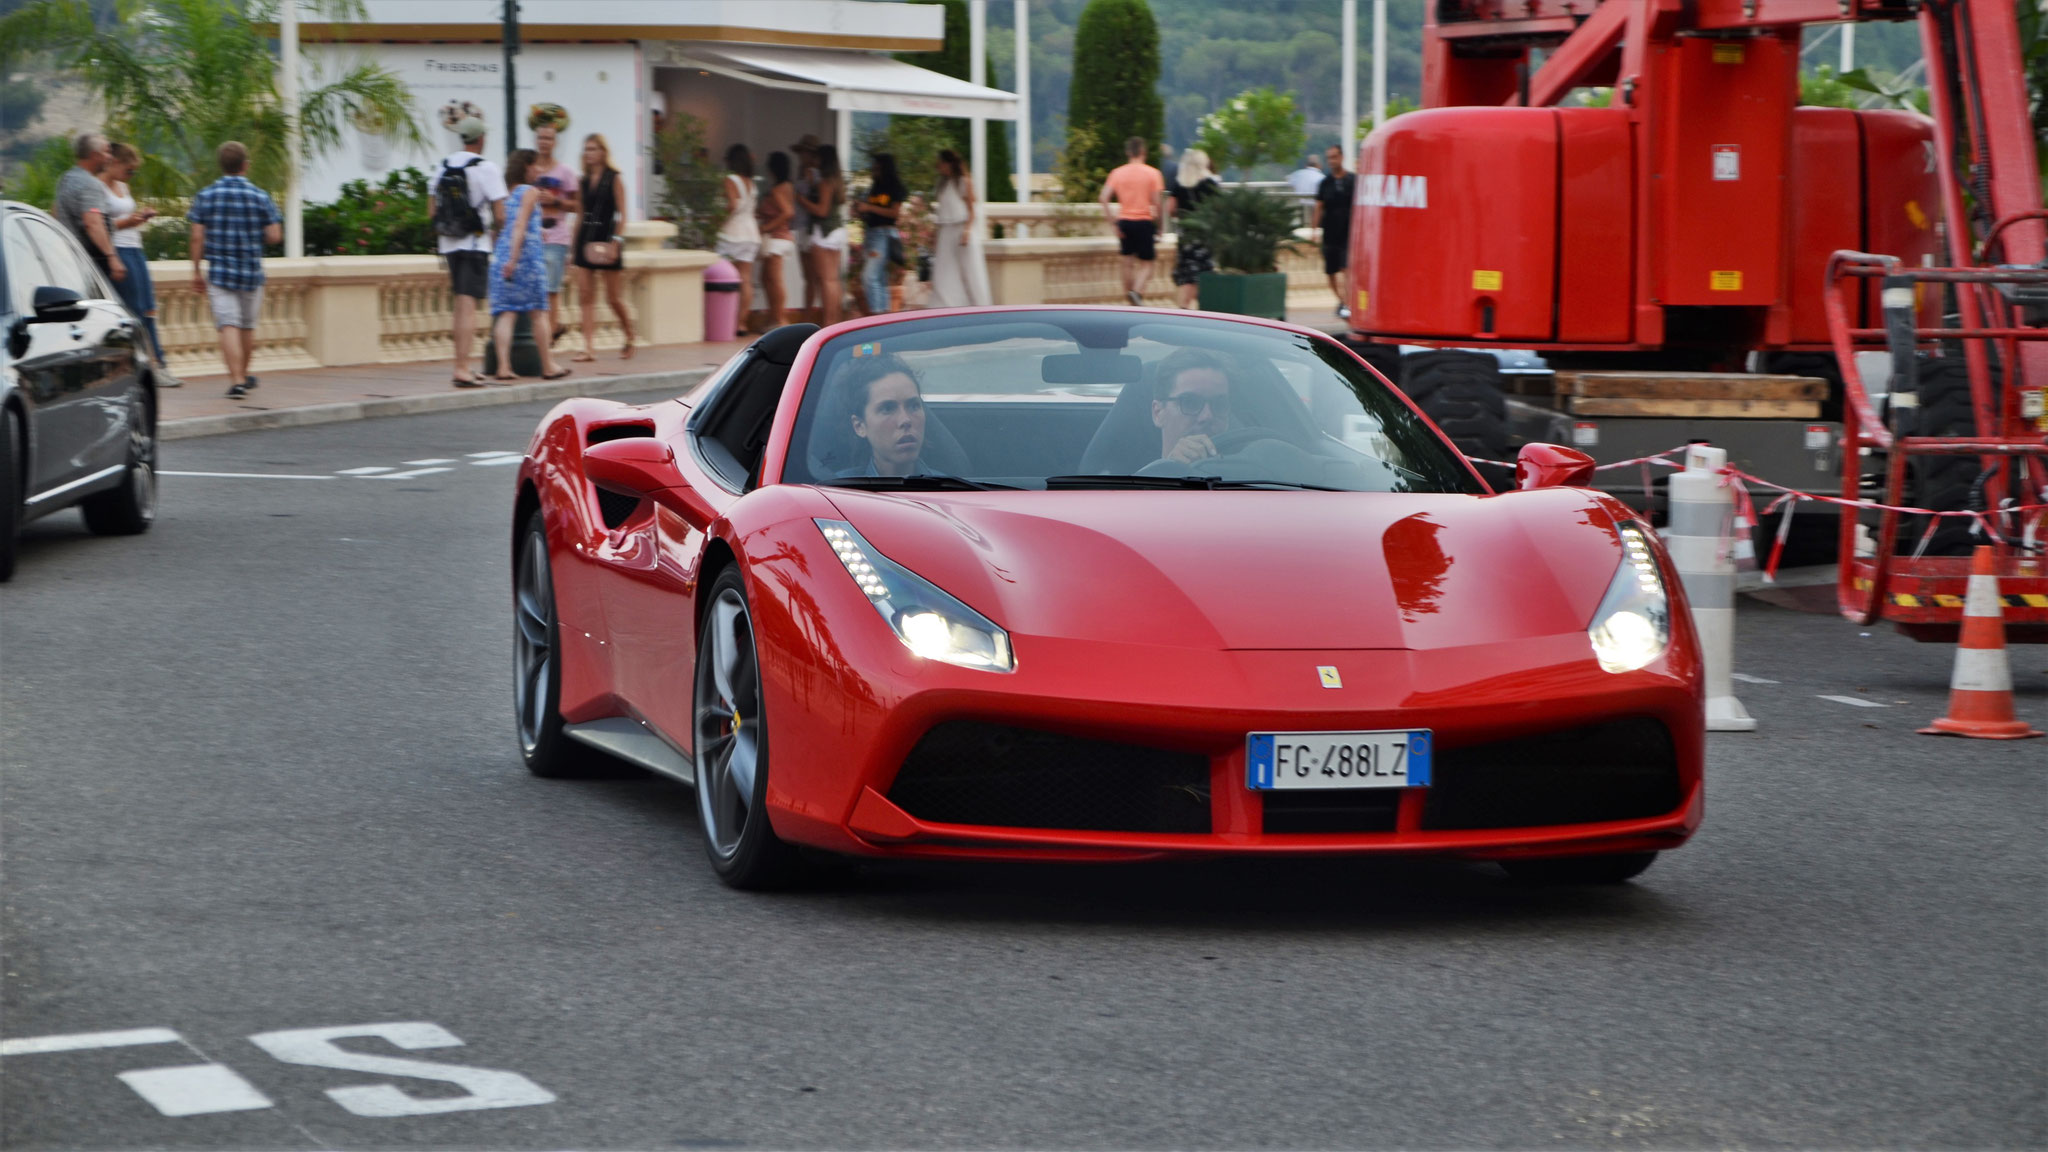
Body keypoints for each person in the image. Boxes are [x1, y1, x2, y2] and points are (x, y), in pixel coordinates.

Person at [188, 141, 281, 398]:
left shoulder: (206, 195)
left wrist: (196, 270)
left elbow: (197, 237)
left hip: (219, 272)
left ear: (222, 165)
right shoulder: (261, 196)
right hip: (251, 271)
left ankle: (237, 380)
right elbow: (274, 235)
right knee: (247, 326)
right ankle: (244, 374)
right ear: (245, 165)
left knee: (228, 325)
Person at [431, 116, 507, 388]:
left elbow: (432, 210)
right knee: (468, 306)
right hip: (475, 244)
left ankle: (462, 365)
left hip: (449, 243)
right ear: (482, 139)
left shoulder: (443, 165)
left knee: (460, 305)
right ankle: (462, 368)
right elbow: (500, 214)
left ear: (462, 137)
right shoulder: (486, 168)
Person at [489, 149, 569, 383]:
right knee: (538, 313)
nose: (540, 170)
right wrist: (515, 260)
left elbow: (508, 225)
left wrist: (538, 232)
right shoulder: (531, 192)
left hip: (502, 255)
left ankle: (503, 367)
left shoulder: (507, 195)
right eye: (536, 165)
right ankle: (548, 365)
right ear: (526, 167)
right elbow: (521, 225)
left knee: (507, 313)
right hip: (526, 260)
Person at [572, 133, 635, 360]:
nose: (589, 153)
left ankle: (629, 333)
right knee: (585, 295)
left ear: (603, 152)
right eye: (587, 149)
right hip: (586, 238)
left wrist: (616, 242)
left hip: (607, 237)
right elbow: (580, 214)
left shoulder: (614, 178)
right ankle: (588, 347)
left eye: (594, 149)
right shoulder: (583, 181)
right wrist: (573, 248)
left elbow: (623, 213)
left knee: (613, 297)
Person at [100, 142, 163, 367]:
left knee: (148, 306)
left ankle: (158, 361)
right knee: (134, 308)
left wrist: (140, 216)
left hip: (135, 247)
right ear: (114, 162)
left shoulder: (122, 186)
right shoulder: (98, 188)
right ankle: (142, 363)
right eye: (129, 170)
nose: (131, 175)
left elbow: (124, 214)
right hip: (118, 248)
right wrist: (126, 222)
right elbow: (99, 225)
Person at [1098, 136, 1164, 306]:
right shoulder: (1153, 173)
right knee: (1147, 263)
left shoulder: (1117, 173)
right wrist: (1160, 227)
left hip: (1124, 221)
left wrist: (1113, 223)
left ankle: (1129, 300)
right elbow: (1157, 203)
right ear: (1143, 152)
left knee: (1127, 262)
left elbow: (1103, 198)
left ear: (1128, 152)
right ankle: (1137, 292)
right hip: (1143, 221)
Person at [529, 123, 579, 345]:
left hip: (556, 236)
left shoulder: (565, 172)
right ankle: (552, 328)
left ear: (555, 142)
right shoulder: (530, 171)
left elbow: (578, 205)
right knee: (533, 288)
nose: (544, 142)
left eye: (548, 138)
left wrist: (556, 200)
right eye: (541, 138)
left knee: (551, 288)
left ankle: (548, 338)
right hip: (532, 235)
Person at [839, 353, 928, 477]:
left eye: (914, 406)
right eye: (887, 409)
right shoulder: (837, 491)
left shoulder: (951, 489)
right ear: (859, 426)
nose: (905, 420)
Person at [54, 132, 123, 286]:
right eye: (107, 152)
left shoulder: (66, 178)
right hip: (91, 263)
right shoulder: (90, 184)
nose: (110, 157)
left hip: (69, 258)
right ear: (94, 155)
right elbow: (93, 223)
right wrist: (111, 257)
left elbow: (56, 214)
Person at [1150, 346, 1237, 464]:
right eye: (1190, 402)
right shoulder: (1131, 481)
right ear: (1158, 413)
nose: (1207, 416)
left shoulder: (1253, 475)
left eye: (1219, 404)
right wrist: (1170, 469)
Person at [928, 149, 991, 308]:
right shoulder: (943, 184)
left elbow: (972, 209)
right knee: (944, 270)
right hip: (946, 230)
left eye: (941, 163)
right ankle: (947, 305)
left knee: (971, 270)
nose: (938, 166)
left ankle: (980, 305)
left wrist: (967, 231)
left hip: (962, 229)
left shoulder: (964, 182)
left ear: (949, 163)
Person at [1165, 147, 1220, 309]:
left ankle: (1183, 306)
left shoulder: (1179, 185)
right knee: (1203, 272)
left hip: (1186, 235)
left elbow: (1170, 209)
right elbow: (1220, 208)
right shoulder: (1209, 184)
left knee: (1187, 273)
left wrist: (1181, 216)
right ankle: (1195, 308)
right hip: (1205, 235)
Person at [799, 144, 847, 328]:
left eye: (817, 157)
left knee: (826, 280)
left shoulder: (825, 182)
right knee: (833, 279)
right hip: (837, 231)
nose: (814, 161)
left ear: (823, 160)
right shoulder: (837, 180)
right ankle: (835, 320)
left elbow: (822, 210)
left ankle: (828, 322)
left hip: (823, 232)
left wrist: (802, 200)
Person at [714, 144, 759, 334]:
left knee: (719, 274)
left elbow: (731, 204)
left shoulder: (730, 179)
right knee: (745, 279)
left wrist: (718, 220)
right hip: (751, 233)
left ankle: (722, 320)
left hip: (731, 232)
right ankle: (741, 323)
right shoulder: (751, 183)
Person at [859, 152, 906, 316]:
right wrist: (861, 211)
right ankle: (883, 316)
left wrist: (869, 208)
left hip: (884, 234)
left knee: (869, 276)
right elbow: (870, 211)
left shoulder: (895, 187)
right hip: (871, 233)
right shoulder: (874, 187)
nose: (874, 171)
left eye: (877, 168)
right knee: (879, 278)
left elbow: (894, 213)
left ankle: (876, 315)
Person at [1314, 144, 1358, 320]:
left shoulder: (1354, 180)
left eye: (1334, 157)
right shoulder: (1325, 183)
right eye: (1329, 158)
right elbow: (1319, 206)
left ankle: (1348, 302)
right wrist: (1314, 229)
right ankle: (1342, 300)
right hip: (1330, 231)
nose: (1332, 161)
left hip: (1349, 232)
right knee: (1330, 271)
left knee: (1346, 267)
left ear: (1341, 157)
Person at [757, 150, 796, 330]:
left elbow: (788, 212)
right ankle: (774, 317)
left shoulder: (777, 190)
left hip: (776, 238)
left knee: (773, 279)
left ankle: (779, 319)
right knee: (767, 278)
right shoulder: (787, 186)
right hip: (781, 237)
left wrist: (766, 227)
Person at [790, 135, 819, 317]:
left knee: (811, 277)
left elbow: (813, 200)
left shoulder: (813, 174)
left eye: (803, 152)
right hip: (801, 226)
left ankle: (808, 313)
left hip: (808, 226)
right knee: (807, 276)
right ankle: (807, 312)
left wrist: (799, 199)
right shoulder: (803, 172)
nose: (801, 156)